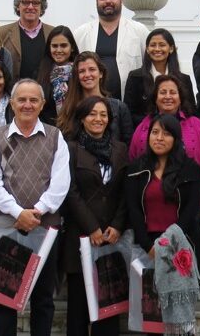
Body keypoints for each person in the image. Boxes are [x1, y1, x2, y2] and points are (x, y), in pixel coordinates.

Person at [0, 79, 70, 336]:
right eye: (22, 100)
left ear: (42, 105)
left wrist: (37, 212)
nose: (27, 105)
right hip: (9, 228)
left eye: (33, 100)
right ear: (12, 103)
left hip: (46, 230)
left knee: (43, 299)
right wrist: (18, 213)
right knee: (4, 299)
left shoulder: (55, 137)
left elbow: (61, 183)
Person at [61, 96, 130, 336]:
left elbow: (125, 193)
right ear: (82, 119)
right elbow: (70, 192)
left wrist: (118, 225)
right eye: (92, 114)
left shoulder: (121, 149)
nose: (98, 119)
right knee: (78, 309)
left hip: (112, 239)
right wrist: (91, 227)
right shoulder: (70, 149)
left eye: (103, 114)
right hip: (80, 237)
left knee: (108, 308)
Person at [130, 75, 200, 219]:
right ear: (155, 98)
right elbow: (133, 166)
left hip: (191, 206)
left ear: (180, 97)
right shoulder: (143, 128)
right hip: (151, 208)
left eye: (173, 92)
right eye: (163, 92)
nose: (168, 96)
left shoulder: (196, 125)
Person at [125, 113, 200, 253]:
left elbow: (190, 211)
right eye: (155, 132)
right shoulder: (136, 169)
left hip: (181, 244)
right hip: (147, 245)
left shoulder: (190, 170)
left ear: (176, 138)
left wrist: (170, 242)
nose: (159, 138)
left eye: (166, 133)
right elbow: (134, 209)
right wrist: (147, 245)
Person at [73, 0, 150, 100]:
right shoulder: (81, 33)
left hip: (130, 101)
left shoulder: (139, 31)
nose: (108, 1)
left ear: (121, 0)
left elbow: (150, 64)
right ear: (97, 2)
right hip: (91, 105)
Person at [58, 51, 134, 144]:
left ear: (101, 73)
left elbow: (128, 144)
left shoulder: (119, 107)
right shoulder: (69, 108)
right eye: (82, 71)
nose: (87, 75)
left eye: (92, 69)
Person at [123, 28, 195, 124]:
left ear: (171, 48)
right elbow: (129, 113)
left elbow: (190, 111)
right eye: (153, 45)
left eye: (162, 45)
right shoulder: (135, 77)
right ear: (147, 49)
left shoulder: (184, 79)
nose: (157, 49)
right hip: (144, 132)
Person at [0, 0, 55, 80]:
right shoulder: (2, 33)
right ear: (17, 6)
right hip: (14, 92)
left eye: (35, 3)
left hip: (45, 93)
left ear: (42, 8)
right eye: (25, 2)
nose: (30, 7)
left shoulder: (53, 33)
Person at [36, 25, 79, 125]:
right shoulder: (41, 73)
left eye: (63, 46)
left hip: (75, 131)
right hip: (47, 131)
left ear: (72, 48)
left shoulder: (80, 73)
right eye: (54, 46)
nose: (59, 50)